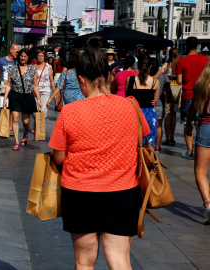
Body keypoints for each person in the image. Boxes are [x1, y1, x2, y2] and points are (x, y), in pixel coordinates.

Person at [49, 36, 151, 270]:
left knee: (84, 263)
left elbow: (59, 157)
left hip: (80, 193)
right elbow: (143, 142)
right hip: (123, 192)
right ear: (107, 76)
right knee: (120, 260)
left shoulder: (70, 112)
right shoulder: (131, 106)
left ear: (81, 79)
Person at [184, 59, 210, 224]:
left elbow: (193, 108)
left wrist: (188, 124)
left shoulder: (201, 85)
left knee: (200, 170)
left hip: (205, 128)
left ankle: (208, 205)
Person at [175, 36, 209, 159]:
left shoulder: (181, 62)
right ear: (197, 46)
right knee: (200, 123)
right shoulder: (205, 60)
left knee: (187, 123)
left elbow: (179, 81)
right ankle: (201, 148)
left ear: (185, 46)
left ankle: (190, 151)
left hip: (188, 95)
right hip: (203, 95)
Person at [2, 48, 42, 151]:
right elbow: (9, 85)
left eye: (25, 56)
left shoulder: (32, 69)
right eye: (21, 56)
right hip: (15, 95)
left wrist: (39, 100)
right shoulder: (13, 68)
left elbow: (35, 85)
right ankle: (16, 142)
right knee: (15, 118)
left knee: (25, 121)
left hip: (27, 96)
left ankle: (25, 132)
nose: (22, 58)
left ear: (28, 58)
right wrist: (5, 98)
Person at [125, 53, 160, 148]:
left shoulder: (129, 80)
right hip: (149, 115)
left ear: (138, 66)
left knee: (133, 145)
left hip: (134, 115)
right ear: (150, 67)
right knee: (148, 146)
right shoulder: (155, 82)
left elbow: (127, 98)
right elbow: (155, 100)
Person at [155, 48, 180, 146]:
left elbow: (163, 77)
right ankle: (172, 136)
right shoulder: (179, 64)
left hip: (168, 92)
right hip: (178, 90)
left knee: (167, 115)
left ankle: (167, 138)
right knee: (173, 115)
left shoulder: (165, 65)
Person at [0, 44, 20, 110]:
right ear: (11, 50)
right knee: (4, 108)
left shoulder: (18, 62)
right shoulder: (1, 60)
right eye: (17, 51)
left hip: (14, 87)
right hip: (4, 86)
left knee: (13, 110)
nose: (18, 54)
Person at [34, 49, 55, 115]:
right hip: (35, 90)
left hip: (45, 90)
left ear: (44, 57)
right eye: (39, 56)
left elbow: (51, 80)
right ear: (36, 57)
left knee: (42, 111)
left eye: (42, 56)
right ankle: (35, 125)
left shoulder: (48, 67)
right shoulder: (33, 67)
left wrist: (54, 93)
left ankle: (39, 125)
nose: (40, 57)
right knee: (35, 112)